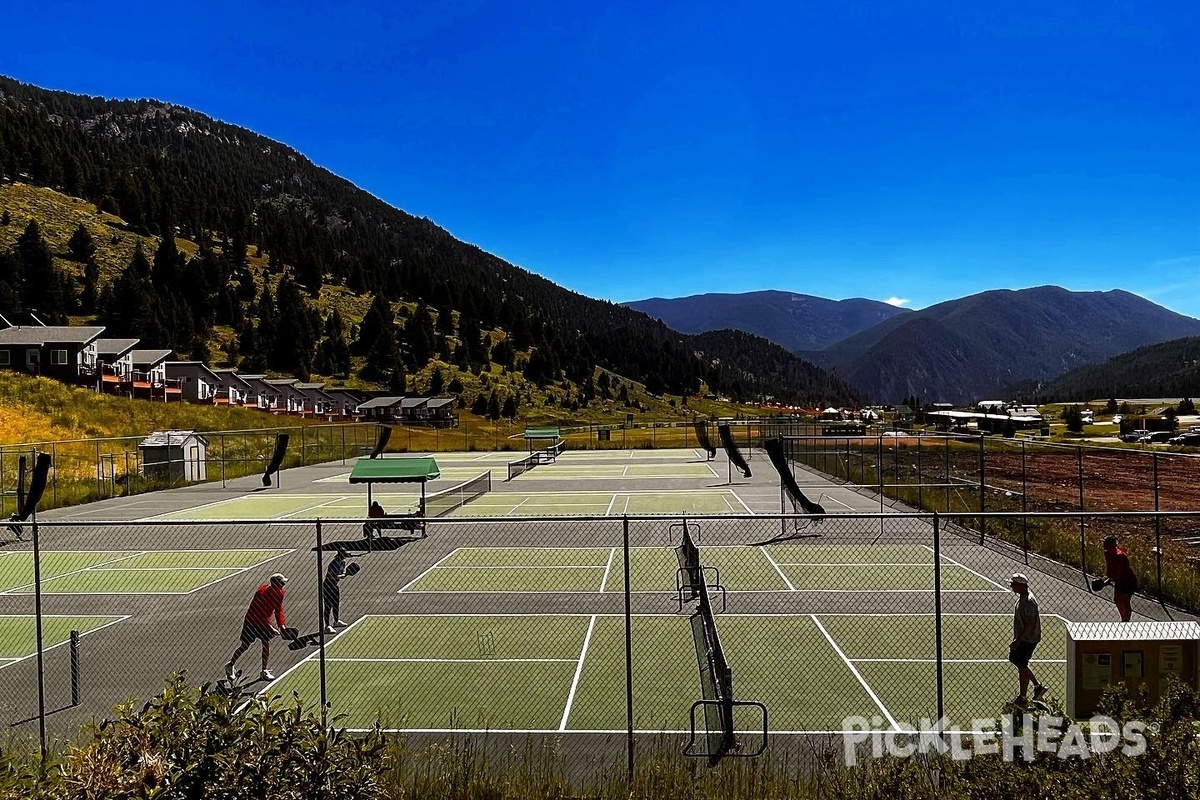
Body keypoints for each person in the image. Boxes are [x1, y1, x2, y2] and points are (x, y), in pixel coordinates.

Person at [226, 572, 288, 682]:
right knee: (245, 645)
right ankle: (230, 665)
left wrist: (282, 625)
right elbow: (258, 614)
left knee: (266, 644)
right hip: (252, 621)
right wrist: (270, 628)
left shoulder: (280, 593)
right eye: (281, 583)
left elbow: (278, 610)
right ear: (274, 584)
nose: (283, 585)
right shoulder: (261, 594)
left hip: (263, 622)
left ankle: (264, 670)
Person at [1008, 572, 1048, 705]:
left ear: (1020, 585)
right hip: (1026, 637)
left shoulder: (1028, 602)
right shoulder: (1023, 598)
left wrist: (1019, 640)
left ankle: (1024, 695)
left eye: (1013, 584)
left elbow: (1030, 624)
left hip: (1028, 639)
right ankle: (1035, 688)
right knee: (1018, 661)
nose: (1011, 586)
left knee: (1021, 663)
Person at [1101, 535, 1138, 622]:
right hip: (1119, 581)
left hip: (1128, 581)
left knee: (1125, 600)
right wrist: (1103, 580)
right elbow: (1110, 570)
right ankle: (1123, 618)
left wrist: (1105, 582)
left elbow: (1118, 573)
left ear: (1112, 545)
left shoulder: (1120, 556)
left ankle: (1126, 620)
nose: (1103, 545)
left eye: (1105, 543)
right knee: (1117, 599)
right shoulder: (1107, 554)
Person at [322, 550, 351, 633]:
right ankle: (327, 626)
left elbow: (343, 571)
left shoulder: (343, 562)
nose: (344, 557)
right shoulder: (333, 564)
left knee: (336, 604)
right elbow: (329, 576)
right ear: (339, 555)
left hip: (335, 586)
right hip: (328, 586)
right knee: (328, 606)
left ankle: (336, 621)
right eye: (343, 555)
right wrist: (340, 576)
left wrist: (344, 574)